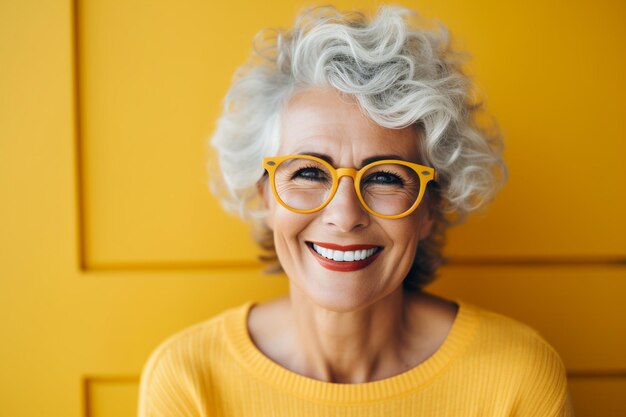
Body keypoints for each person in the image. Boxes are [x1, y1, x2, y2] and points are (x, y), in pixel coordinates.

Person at [138, 6, 574, 416]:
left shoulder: (516, 377)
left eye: (385, 177)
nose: (345, 215)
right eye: (309, 172)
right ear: (266, 196)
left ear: (429, 209)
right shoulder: (189, 378)